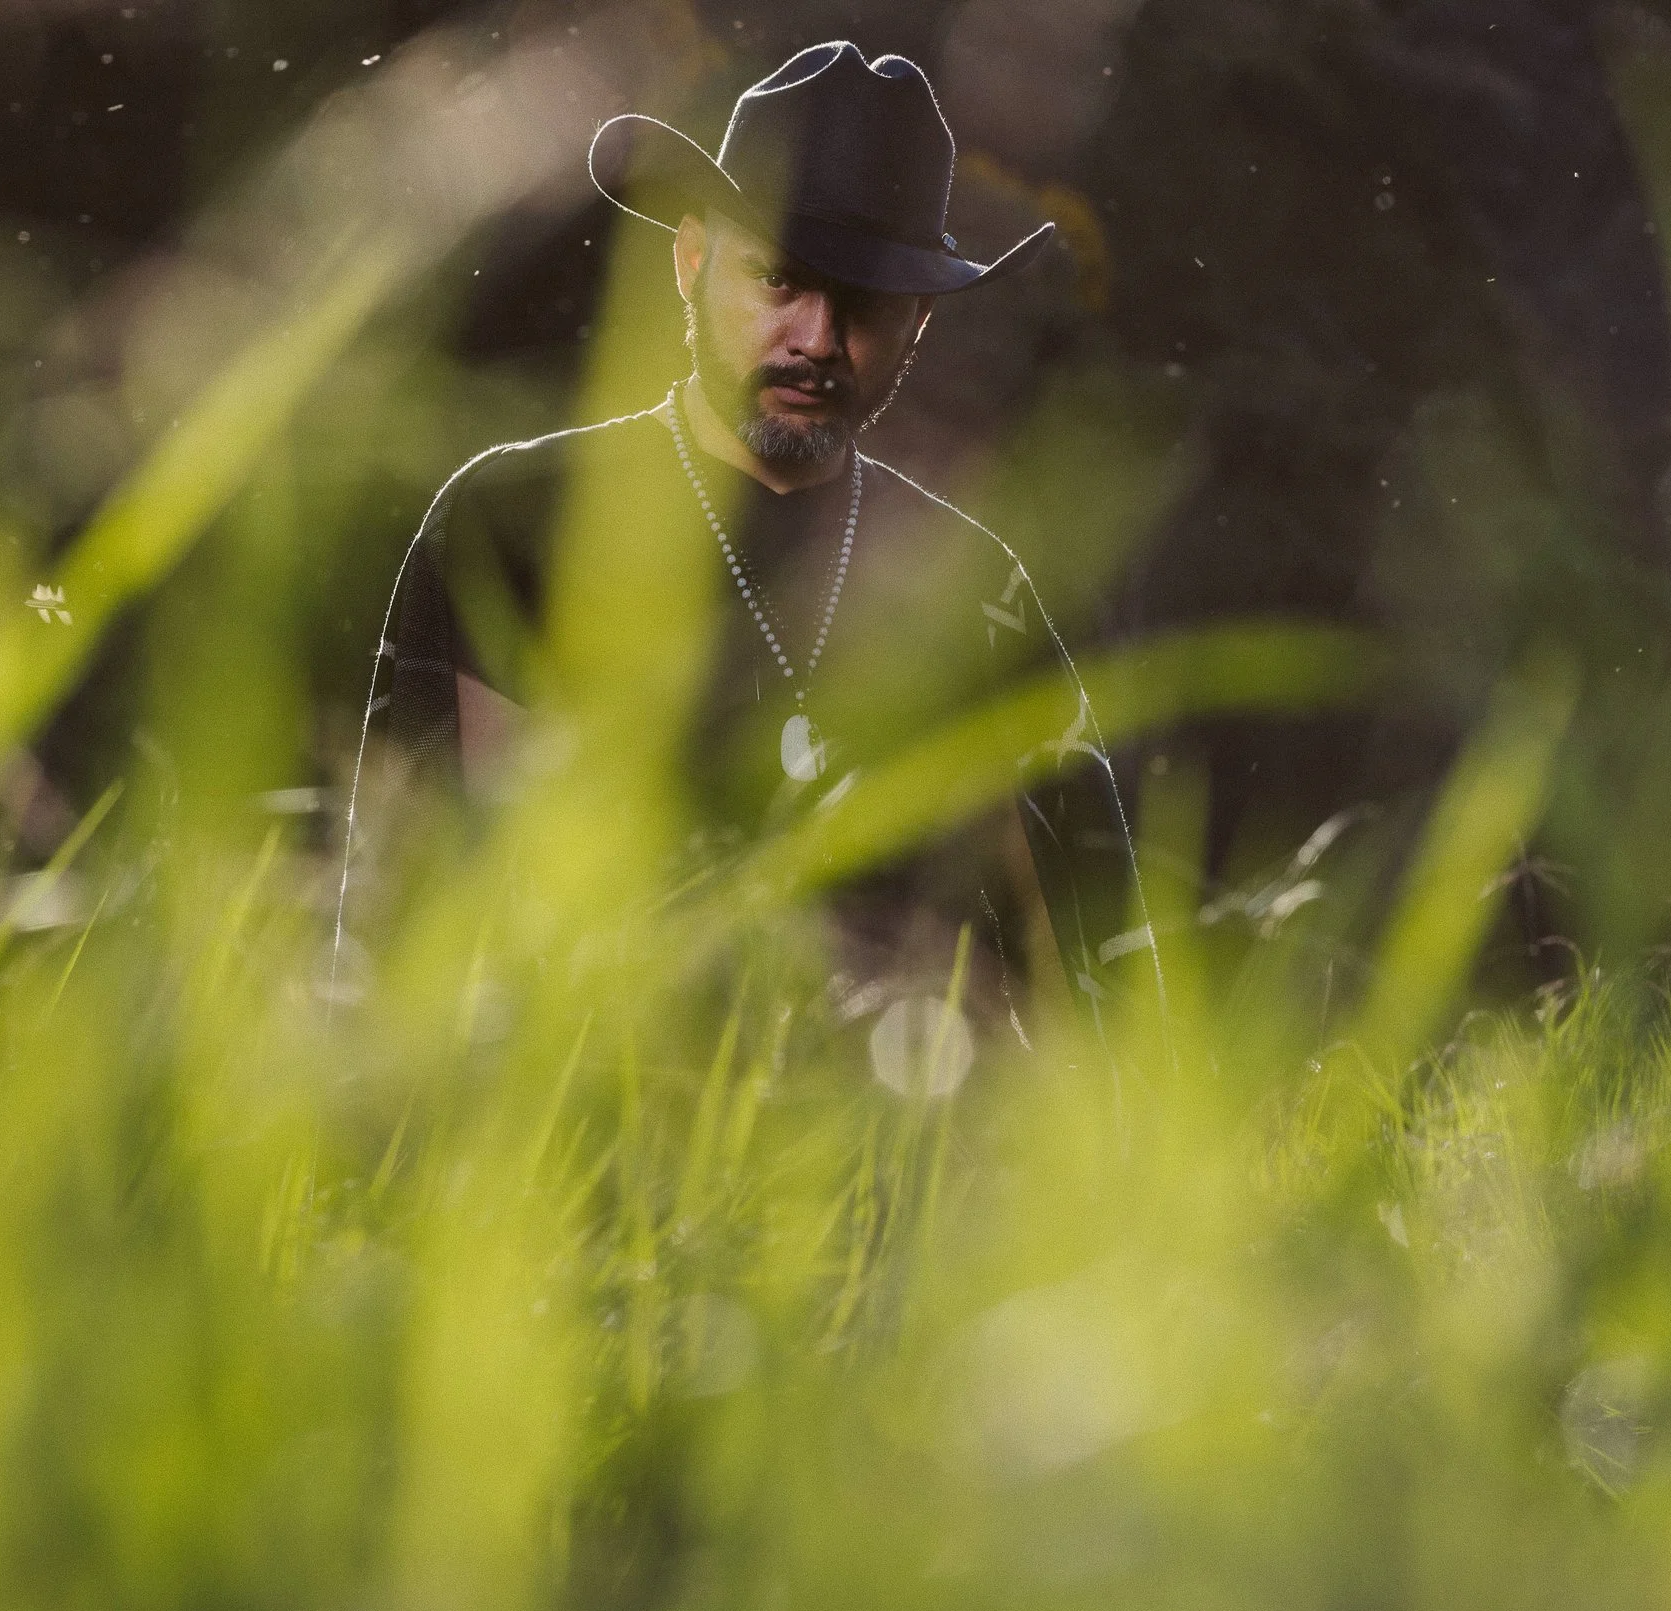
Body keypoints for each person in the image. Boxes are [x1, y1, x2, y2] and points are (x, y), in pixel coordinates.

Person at [336, 40, 1159, 1038]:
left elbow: (1104, 968)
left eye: (864, 301)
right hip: (575, 1088)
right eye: (778, 280)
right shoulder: (517, 516)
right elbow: (409, 910)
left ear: (920, 322)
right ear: (691, 261)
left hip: (895, 1110)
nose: (817, 338)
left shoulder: (976, 587)